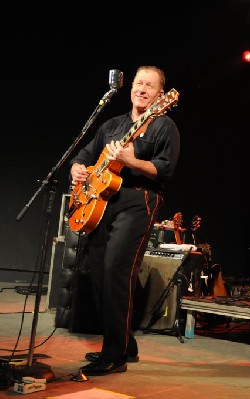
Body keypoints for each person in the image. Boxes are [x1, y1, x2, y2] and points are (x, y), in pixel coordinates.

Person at [69, 65, 181, 376]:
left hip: (138, 200)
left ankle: (114, 356)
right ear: (130, 87)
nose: (142, 89)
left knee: (116, 270)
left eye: (150, 86)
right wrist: (77, 169)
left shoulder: (164, 126)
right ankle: (123, 344)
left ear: (161, 95)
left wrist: (132, 161)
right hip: (103, 202)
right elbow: (86, 154)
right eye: (139, 83)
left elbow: (165, 170)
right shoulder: (112, 125)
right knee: (97, 271)